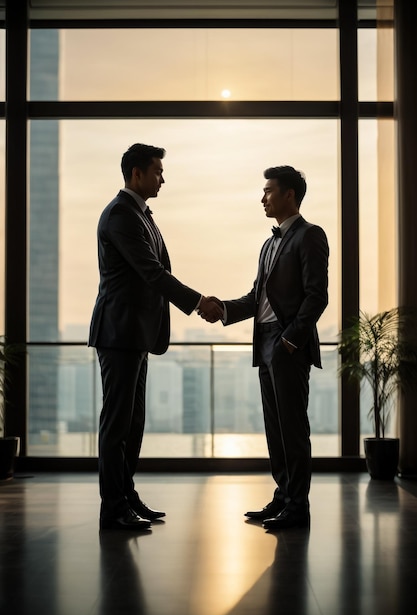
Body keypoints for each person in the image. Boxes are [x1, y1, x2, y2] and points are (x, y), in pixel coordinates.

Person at [89, 142, 223, 531]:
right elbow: (152, 272)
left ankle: (126, 496)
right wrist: (199, 301)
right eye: (158, 171)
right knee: (117, 424)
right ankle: (112, 508)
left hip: (136, 334)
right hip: (119, 333)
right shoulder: (120, 215)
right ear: (137, 174)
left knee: (133, 423)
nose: (163, 178)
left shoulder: (140, 214)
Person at [201, 166, 329, 529]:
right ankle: (284, 495)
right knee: (275, 427)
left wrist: (291, 339)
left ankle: (298, 506)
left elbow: (317, 296)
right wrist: (222, 309)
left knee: (292, 426)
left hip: (287, 344)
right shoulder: (269, 244)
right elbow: (256, 298)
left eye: (268, 191)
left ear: (289, 194)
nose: (263, 198)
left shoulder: (310, 235)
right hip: (266, 343)